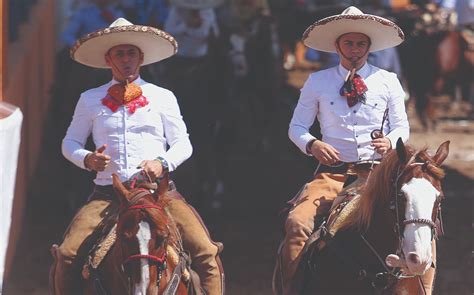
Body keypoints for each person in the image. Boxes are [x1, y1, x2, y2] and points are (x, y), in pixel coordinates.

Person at [49, 18, 225, 295]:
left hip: (159, 195)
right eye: (119, 53)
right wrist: (87, 159)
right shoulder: (89, 99)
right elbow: (69, 142)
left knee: (206, 252)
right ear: (109, 59)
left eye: (131, 53)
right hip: (108, 195)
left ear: (141, 57)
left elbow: (183, 144)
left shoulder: (163, 96)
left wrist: (162, 163)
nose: (126, 59)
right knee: (68, 254)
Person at [273, 6, 438, 295]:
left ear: (369, 46)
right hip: (331, 175)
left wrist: (390, 141)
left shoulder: (388, 81)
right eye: (348, 43)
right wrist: (313, 144)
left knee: (420, 220)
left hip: (380, 174)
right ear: (337, 45)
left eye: (361, 43)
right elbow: (296, 127)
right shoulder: (318, 82)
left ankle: (422, 288)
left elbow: (402, 126)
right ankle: (292, 288)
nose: (355, 49)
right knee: (297, 223)